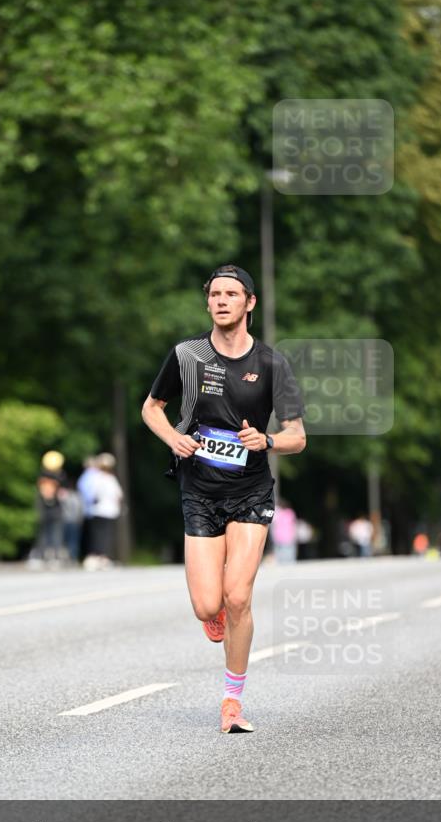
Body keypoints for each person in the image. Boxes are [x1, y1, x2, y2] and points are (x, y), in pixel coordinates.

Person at [142, 264, 306, 733]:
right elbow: (151, 408)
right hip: (199, 489)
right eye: (215, 293)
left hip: (251, 490)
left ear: (249, 303)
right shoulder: (187, 355)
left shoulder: (273, 364)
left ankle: (232, 702)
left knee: (238, 598)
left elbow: (298, 436)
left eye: (232, 294)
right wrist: (173, 438)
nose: (221, 300)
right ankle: (213, 616)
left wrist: (268, 441)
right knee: (206, 604)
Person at [83, 453, 123, 570]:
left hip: (98, 510)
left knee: (97, 535)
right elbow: (118, 495)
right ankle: (104, 558)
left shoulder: (97, 478)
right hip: (110, 511)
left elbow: (92, 494)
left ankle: (97, 557)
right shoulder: (111, 479)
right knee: (107, 535)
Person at [271, 499, 298, 563]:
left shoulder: (278, 513)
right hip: (288, 537)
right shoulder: (290, 513)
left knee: (279, 555)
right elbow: (293, 525)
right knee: (289, 554)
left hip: (278, 537)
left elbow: (273, 523)